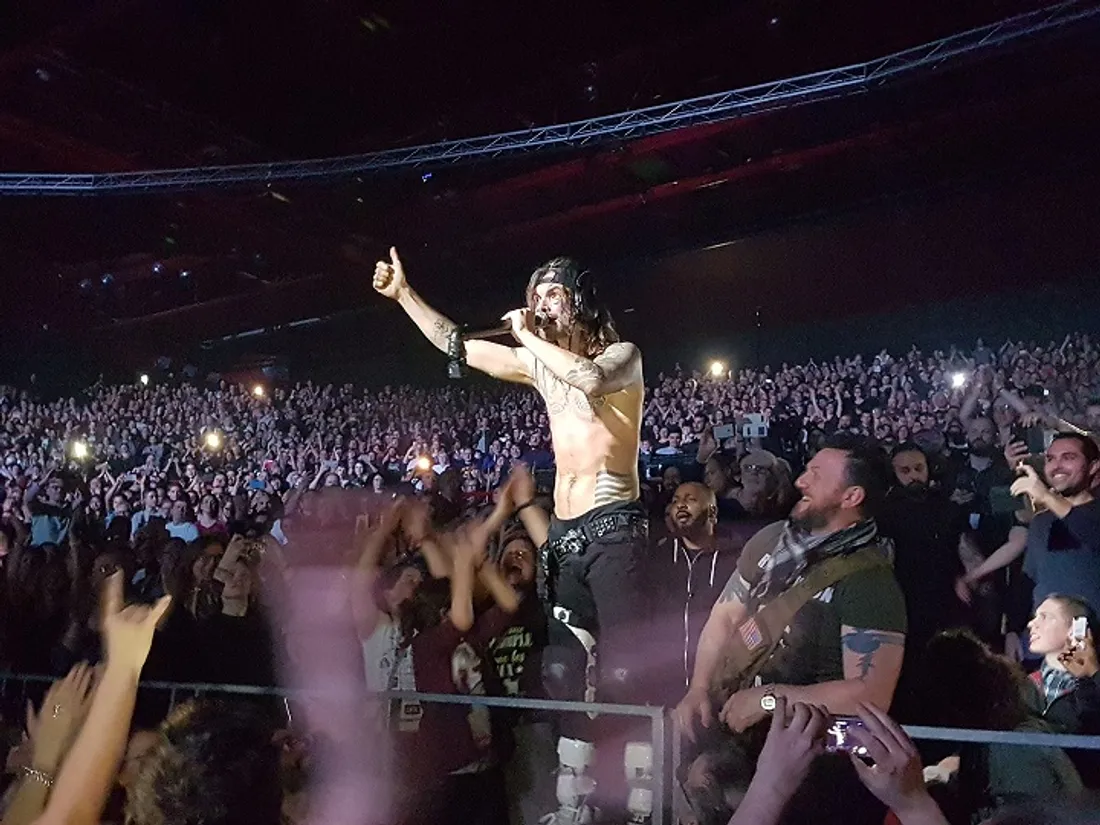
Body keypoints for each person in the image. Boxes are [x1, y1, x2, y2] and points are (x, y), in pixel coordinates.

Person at [375, 249, 651, 822]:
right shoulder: (540, 364)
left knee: (625, 670)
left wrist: (528, 336)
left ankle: (641, 796)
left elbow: (589, 378)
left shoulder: (622, 356)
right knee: (564, 672)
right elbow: (459, 345)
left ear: (580, 301)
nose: (542, 305)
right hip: (568, 535)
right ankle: (575, 802)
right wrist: (406, 296)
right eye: (536, 296)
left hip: (615, 527)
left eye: (553, 295)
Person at [674, 434, 907, 825]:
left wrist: (768, 699)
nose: (801, 481)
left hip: (817, 769)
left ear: (851, 497)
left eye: (816, 475)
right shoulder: (769, 542)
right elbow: (725, 616)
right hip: (742, 743)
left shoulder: (870, 582)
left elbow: (871, 694)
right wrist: (699, 687)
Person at [650, 482, 740, 704]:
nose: (680, 505)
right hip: (663, 686)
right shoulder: (657, 556)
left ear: (712, 511)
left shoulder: (737, 558)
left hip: (721, 687)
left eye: (690, 500)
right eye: (675, 501)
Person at [1012, 433, 1100, 615]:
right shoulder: (1041, 521)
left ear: (1093, 466)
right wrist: (1014, 629)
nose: (1057, 466)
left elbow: (1093, 537)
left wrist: (1046, 496)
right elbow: (1029, 578)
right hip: (1045, 636)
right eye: (1051, 459)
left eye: (1068, 457)